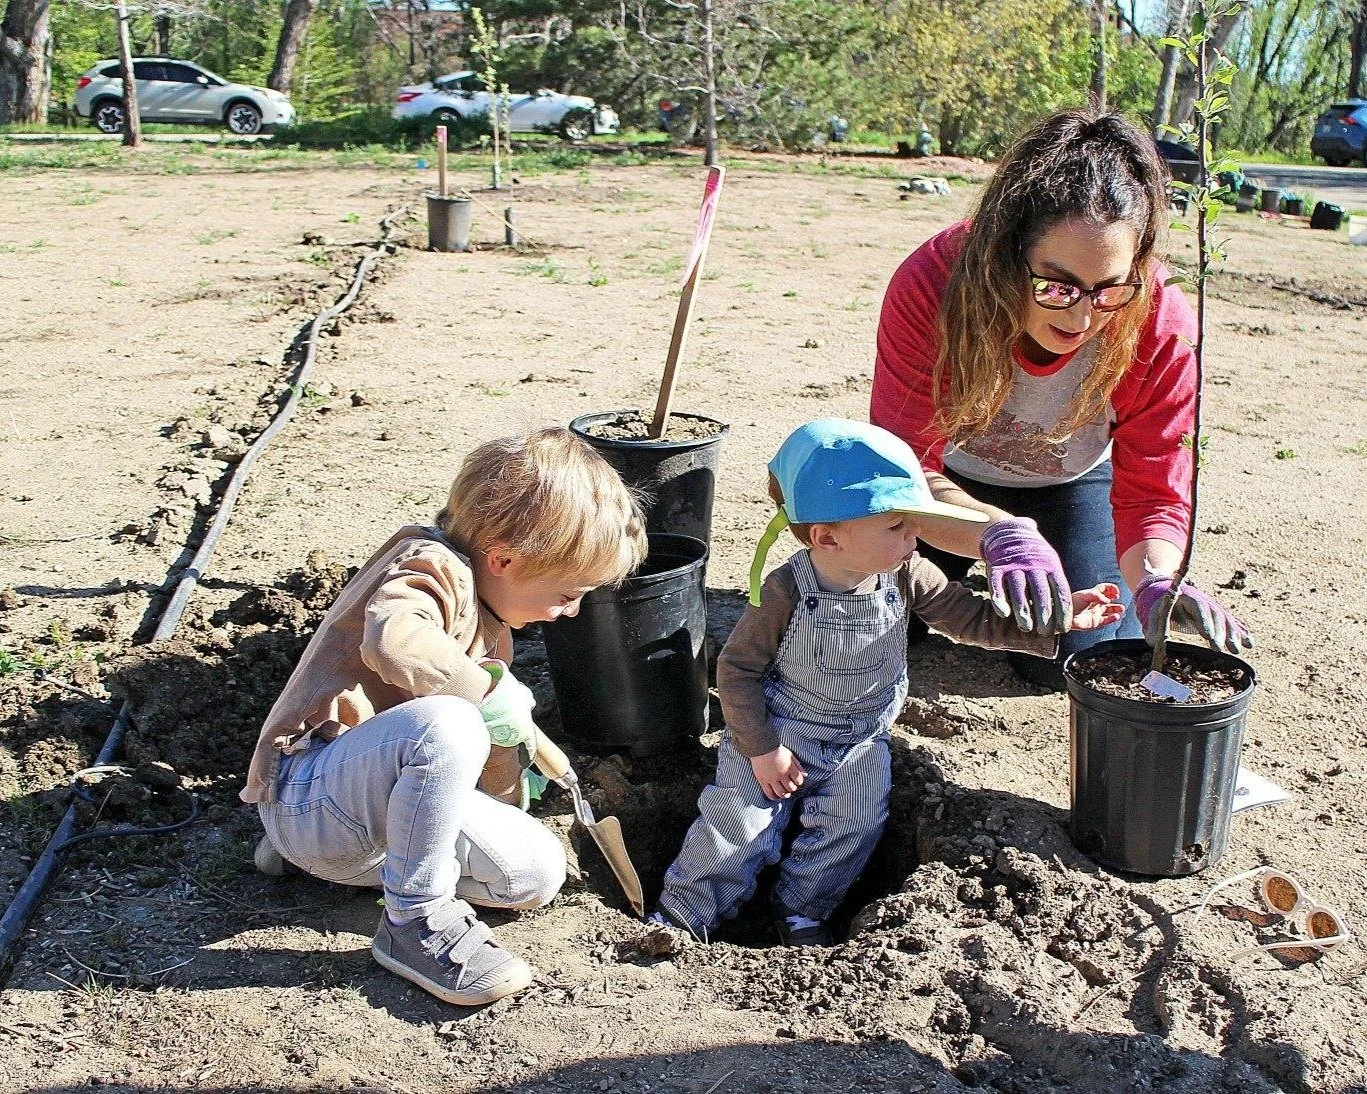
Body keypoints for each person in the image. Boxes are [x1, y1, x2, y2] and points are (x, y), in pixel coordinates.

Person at [650, 420, 1123, 945]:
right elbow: (737, 671)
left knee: (852, 826)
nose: (913, 537)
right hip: (782, 730)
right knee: (736, 829)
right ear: (828, 537)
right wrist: (760, 749)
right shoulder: (786, 589)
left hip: (860, 740)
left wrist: (1057, 621)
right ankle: (682, 917)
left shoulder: (907, 573)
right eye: (896, 525)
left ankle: (802, 911)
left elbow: (968, 618)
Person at [241, 428, 647, 1005]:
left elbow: (476, 775)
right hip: (309, 793)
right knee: (447, 723)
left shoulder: (492, 619)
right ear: (503, 558)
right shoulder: (427, 570)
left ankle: (341, 867)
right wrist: (485, 695)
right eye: (568, 593)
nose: (572, 611)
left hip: (369, 823)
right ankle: (415, 920)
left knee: (535, 871)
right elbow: (396, 643)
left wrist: (510, 754)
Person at [871, 108, 1253, 690]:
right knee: (868, 623)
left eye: (1108, 290)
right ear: (1005, 254)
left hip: (1071, 483)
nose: (1080, 316)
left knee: (1077, 652)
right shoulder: (933, 285)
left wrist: (1155, 581)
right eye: (1055, 285)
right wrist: (998, 534)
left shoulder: (1162, 320)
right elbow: (902, 471)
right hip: (942, 486)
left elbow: (1153, 489)